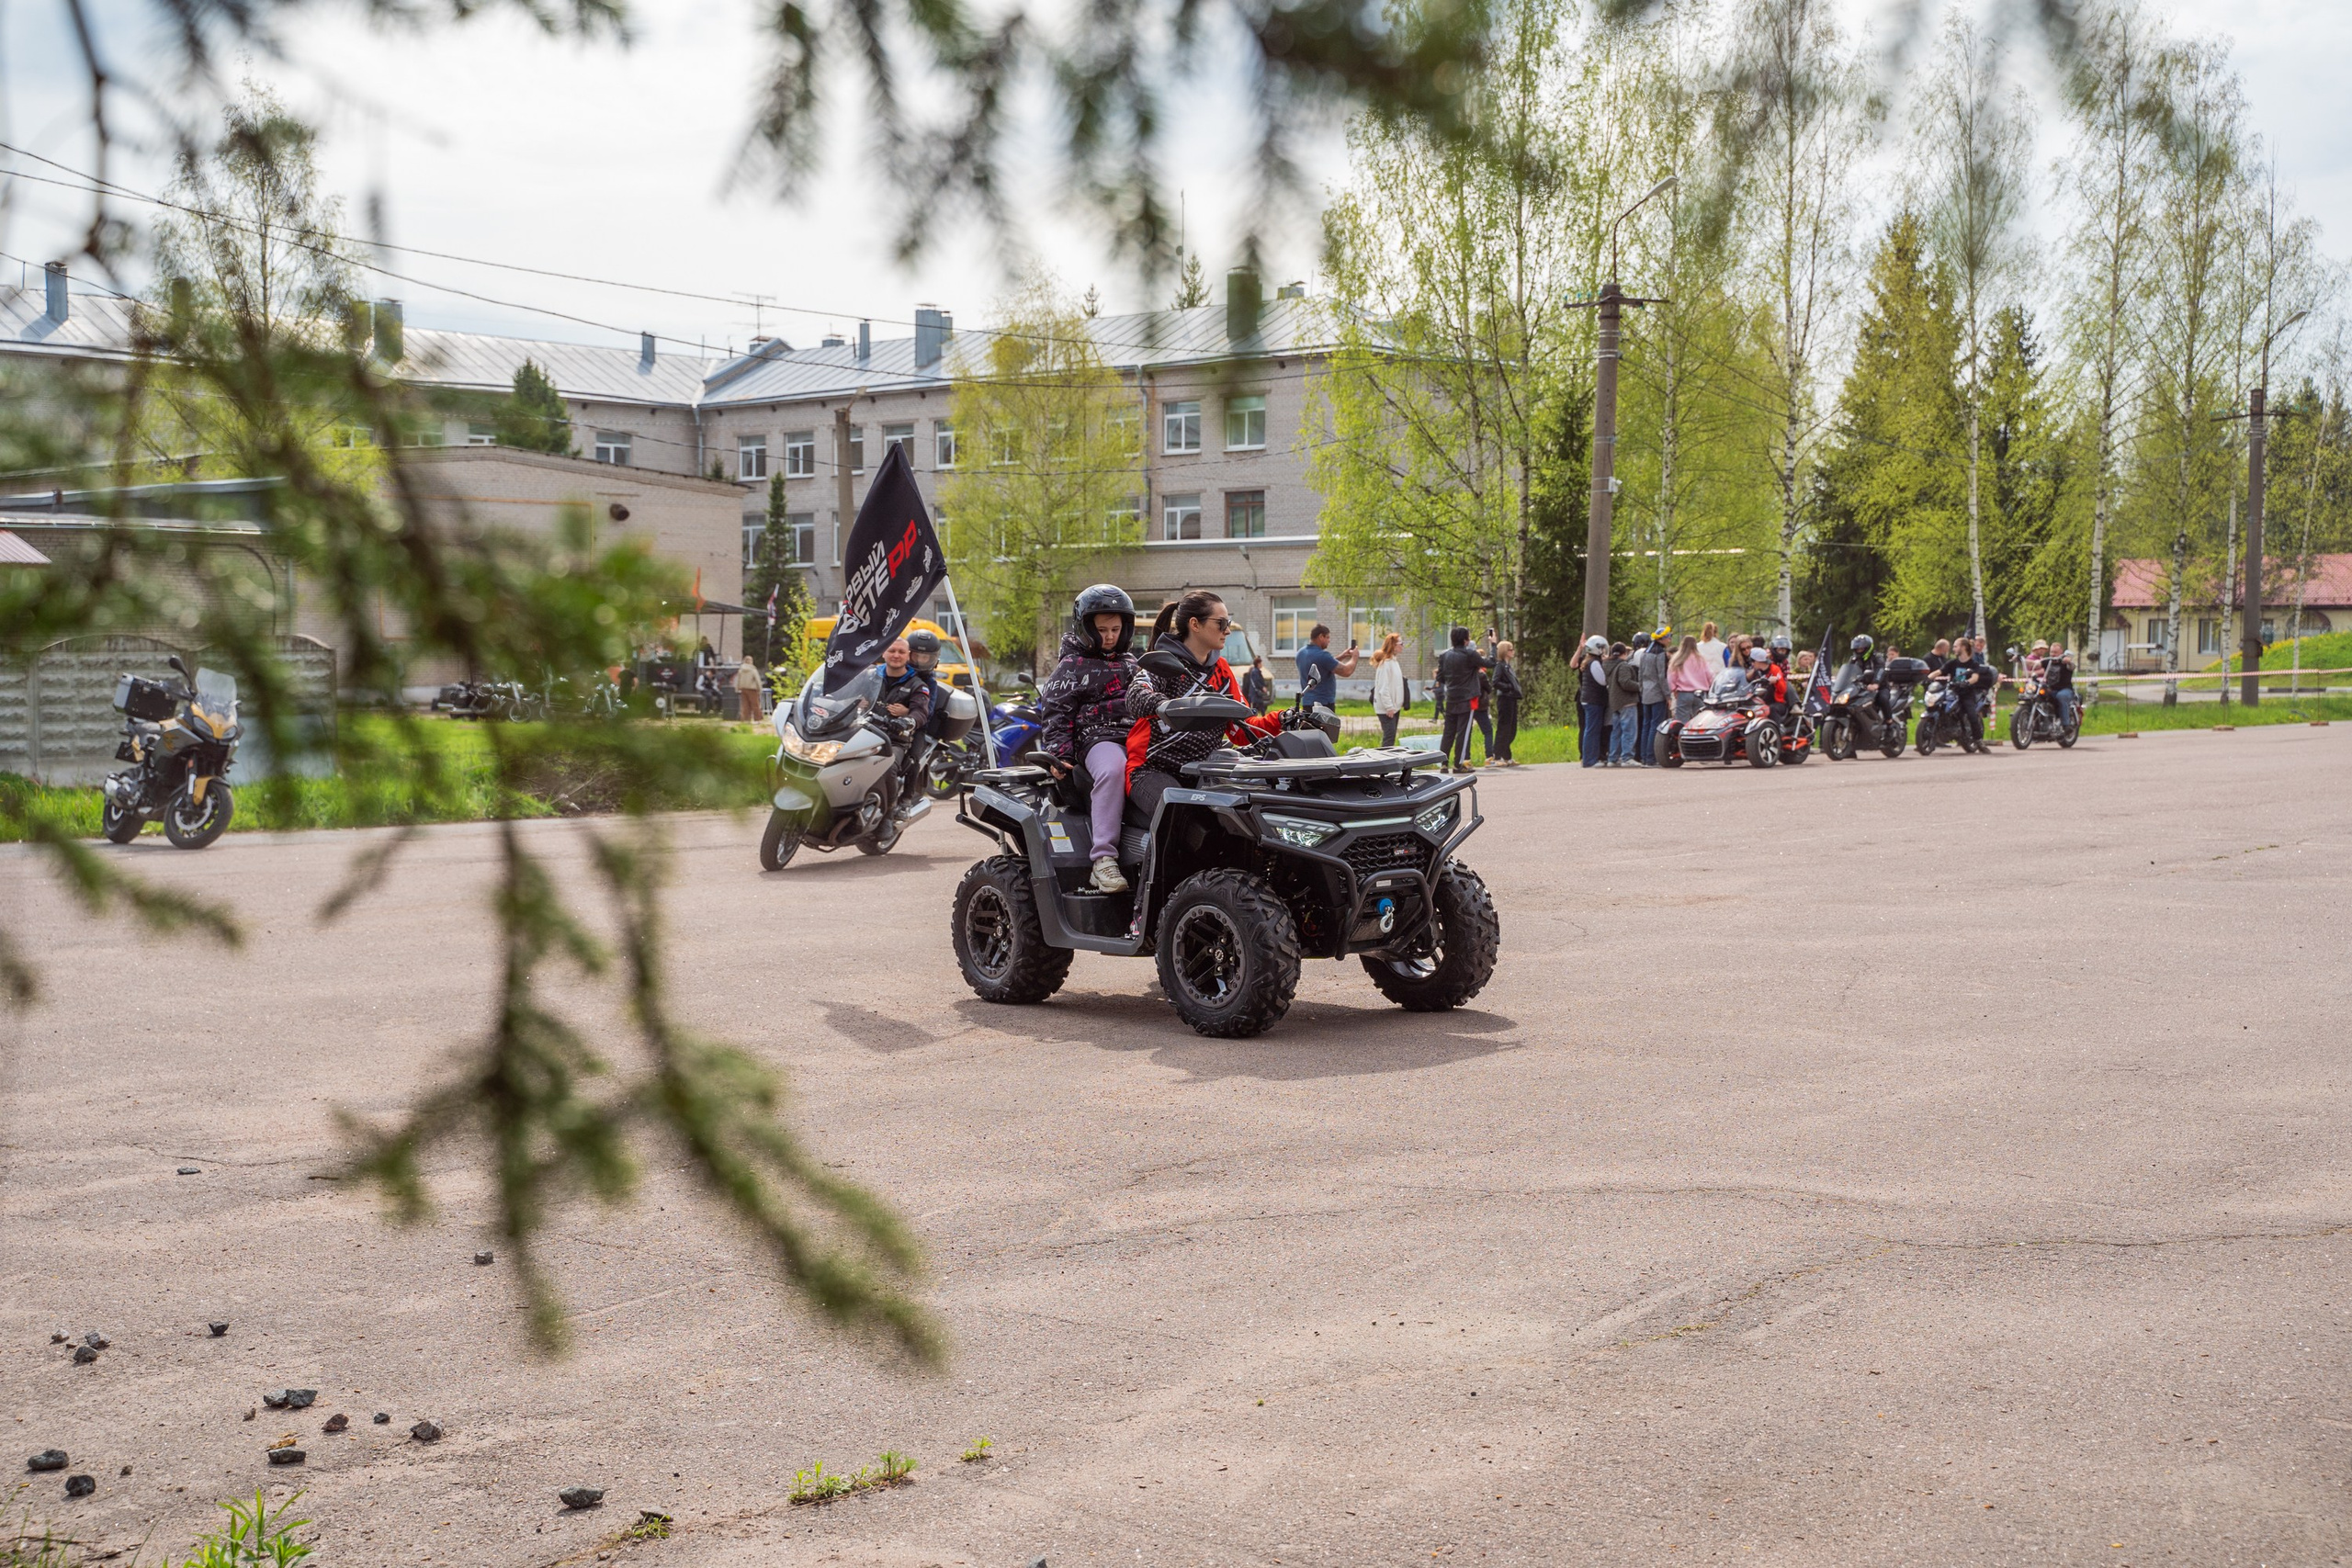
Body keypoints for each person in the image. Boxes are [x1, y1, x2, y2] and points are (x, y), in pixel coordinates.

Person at [1126, 591, 1300, 821]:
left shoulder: (1222, 671)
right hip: (1152, 769)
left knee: (1244, 817)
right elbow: (1135, 694)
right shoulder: (1165, 662)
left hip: (1203, 769)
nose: (1227, 630)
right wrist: (1166, 705)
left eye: (1227, 623)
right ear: (1195, 624)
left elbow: (1241, 729)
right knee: (1181, 818)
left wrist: (1284, 718)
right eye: (1221, 623)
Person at [1038, 584, 1141, 893]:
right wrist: (1061, 756)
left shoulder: (1132, 664)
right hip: (1097, 740)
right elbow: (1056, 713)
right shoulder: (1071, 667)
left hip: (1136, 736)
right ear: (1085, 628)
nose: (1109, 636)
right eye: (1101, 630)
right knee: (1113, 770)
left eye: (1115, 629)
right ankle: (1103, 859)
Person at [1433, 626, 1491, 773]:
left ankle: (1443, 763)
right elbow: (1490, 663)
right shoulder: (1470, 654)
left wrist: (1454, 684)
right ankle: (1458, 764)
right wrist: (1494, 644)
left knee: (1449, 732)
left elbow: (1440, 677)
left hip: (1451, 697)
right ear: (1466, 640)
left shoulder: (1445, 655)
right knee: (1463, 732)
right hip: (1467, 699)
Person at [1294, 623, 1360, 711]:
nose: (1329, 640)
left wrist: (1342, 656)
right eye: (1328, 637)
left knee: (1308, 725)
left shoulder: (1301, 653)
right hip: (1323, 705)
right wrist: (1355, 657)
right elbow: (1346, 671)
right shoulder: (1322, 655)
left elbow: (1321, 665)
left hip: (1307, 703)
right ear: (1321, 637)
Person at [1949, 636, 1995, 746]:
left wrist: (1968, 682)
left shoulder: (1973, 661)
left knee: (1971, 713)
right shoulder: (1955, 662)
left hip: (1967, 691)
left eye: (1981, 645)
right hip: (1954, 690)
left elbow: (1975, 675)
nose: (1979, 647)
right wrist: (1928, 677)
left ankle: (1978, 740)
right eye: (1977, 645)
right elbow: (1941, 670)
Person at [1573, 634, 1611, 767]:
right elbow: (1602, 680)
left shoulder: (1588, 661)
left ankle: (1590, 758)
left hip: (1588, 699)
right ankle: (1590, 759)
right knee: (1592, 730)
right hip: (1594, 700)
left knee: (1590, 729)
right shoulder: (1594, 663)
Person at [1635, 630, 1669, 764]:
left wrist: (1641, 690)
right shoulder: (1660, 654)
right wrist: (1667, 695)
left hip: (1646, 693)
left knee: (1646, 725)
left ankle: (1644, 756)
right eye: (1668, 637)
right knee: (1656, 725)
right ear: (1662, 639)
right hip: (1657, 693)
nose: (1670, 640)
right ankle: (1651, 757)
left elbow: (1640, 674)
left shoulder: (1645, 653)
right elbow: (1661, 676)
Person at [1606, 641, 1641, 766]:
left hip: (1615, 702)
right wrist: (1640, 686)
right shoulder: (1624, 666)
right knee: (1629, 730)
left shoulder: (1607, 665)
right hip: (1627, 701)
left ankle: (1613, 758)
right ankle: (1627, 757)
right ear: (1624, 653)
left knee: (1616, 731)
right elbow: (1625, 682)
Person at [1370, 632, 1407, 746]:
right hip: (1387, 709)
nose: (1403, 646)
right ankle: (1384, 762)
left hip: (1394, 707)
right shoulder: (1385, 664)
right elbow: (1383, 688)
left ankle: (1388, 761)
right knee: (1389, 736)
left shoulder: (1394, 662)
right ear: (1394, 646)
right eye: (1401, 643)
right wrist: (1389, 707)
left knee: (1391, 736)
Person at [1489, 640, 1521, 766]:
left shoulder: (1508, 666)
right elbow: (1495, 682)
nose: (1513, 651)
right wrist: (1508, 687)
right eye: (1510, 649)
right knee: (1504, 728)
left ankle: (1507, 756)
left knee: (1511, 728)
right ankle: (1497, 756)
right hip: (1505, 699)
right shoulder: (1500, 665)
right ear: (1504, 651)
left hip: (1511, 698)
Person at [1668, 634, 1710, 721]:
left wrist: (1674, 689)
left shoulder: (1678, 659)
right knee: (1700, 720)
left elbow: (1671, 677)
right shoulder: (1701, 659)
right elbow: (1709, 674)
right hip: (1700, 693)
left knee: (1682, 721)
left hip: (1683, 693)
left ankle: (1683, 734)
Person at [732, 653, 764, 724]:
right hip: (752, 689)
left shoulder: (741, 670)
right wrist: (760, 689)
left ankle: (746, 720)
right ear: (751, 661)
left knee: (745, 705)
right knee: (755, 704)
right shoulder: (753, 669)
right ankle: (757, 719)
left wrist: (737, 688)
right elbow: (757, 680)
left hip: (743, 688)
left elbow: (738, 680)